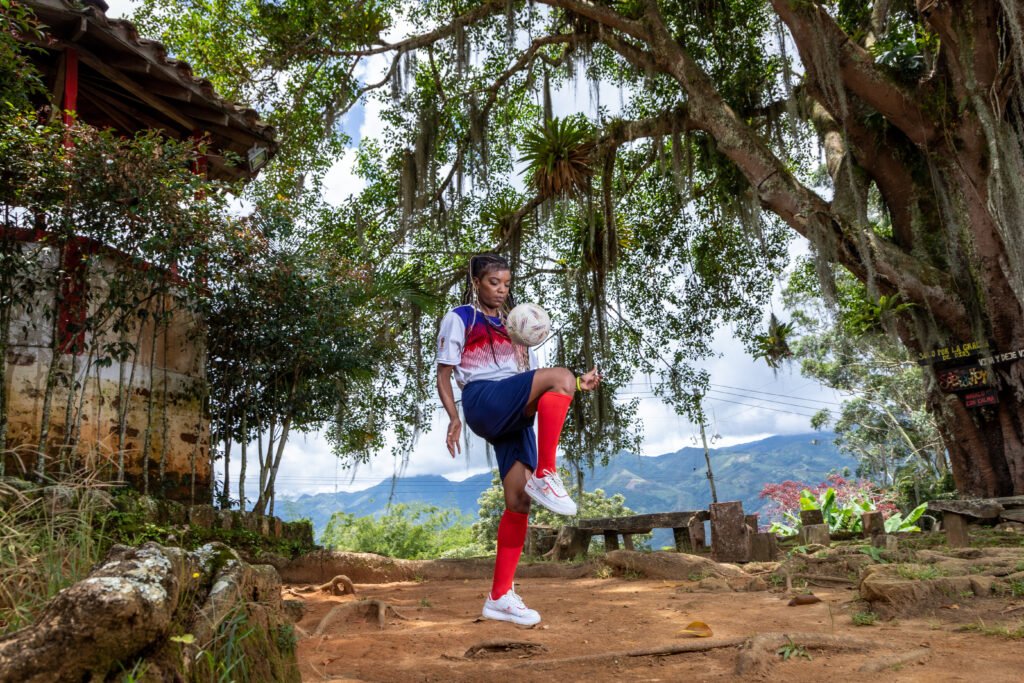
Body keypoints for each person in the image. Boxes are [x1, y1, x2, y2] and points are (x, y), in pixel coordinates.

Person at [436, 252, 600, 626]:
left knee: (519, 501)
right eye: (494, 282)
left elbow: (531, 385)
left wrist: (577, 385)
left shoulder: (515, 328)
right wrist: (453, 418)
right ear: (476, 282)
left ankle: (499, 597)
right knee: (559, 375)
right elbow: (444, 374)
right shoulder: (461, 317)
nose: (501, 290)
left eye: (507, 284)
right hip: (483, 401)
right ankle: (547, 472)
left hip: (512, 412)